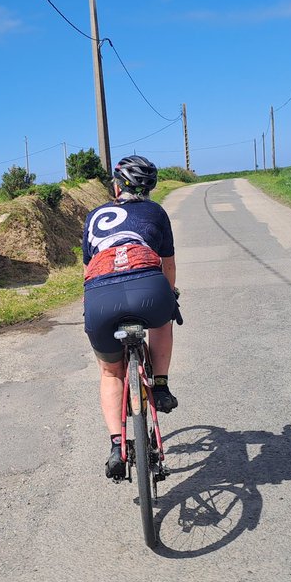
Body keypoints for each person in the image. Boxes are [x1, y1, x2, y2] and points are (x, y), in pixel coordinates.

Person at [81, 154, 179, 480]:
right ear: (150, 188)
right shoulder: (155, 212)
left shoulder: (94, 215)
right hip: (148, 290)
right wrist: (171, 295)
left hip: (100, 298)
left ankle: (115, 447)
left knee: (111, 373)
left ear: (116, 185)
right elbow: (168, 267)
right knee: (164, 319)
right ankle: (161, 385)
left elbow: (87, 272)